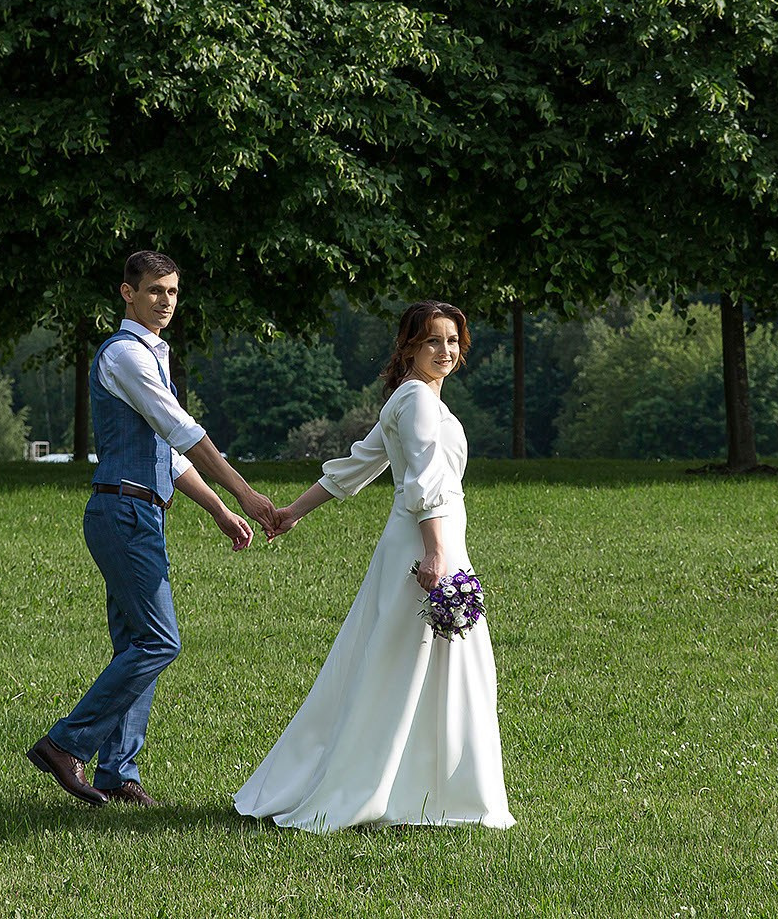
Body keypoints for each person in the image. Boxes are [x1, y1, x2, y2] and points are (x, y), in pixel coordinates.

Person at [235, 300, 513, 833]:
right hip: (426, 544)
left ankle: (412, 788)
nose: (445, 351)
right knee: (411, 662)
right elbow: (422, 482)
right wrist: (436, 553)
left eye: (452, 341)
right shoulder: (418, 402)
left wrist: (294, 511)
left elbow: (356, 466)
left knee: (408, 662)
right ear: (409, 347)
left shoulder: (408, 398)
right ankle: (408, 792)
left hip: (427, 540)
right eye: (432, 341)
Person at [26, 251, 279, 807]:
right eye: (155, 291)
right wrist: (246, 493)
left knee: (136, 645)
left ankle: (117, 774)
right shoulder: (125, 355)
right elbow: (182, 430)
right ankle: (65, 744)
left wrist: (218, 509)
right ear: (128, 293)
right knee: (159, 641)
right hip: (123, 512)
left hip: (137, 511)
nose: (166, 302)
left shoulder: (150, 356)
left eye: (173, 291)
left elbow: (170, 454)